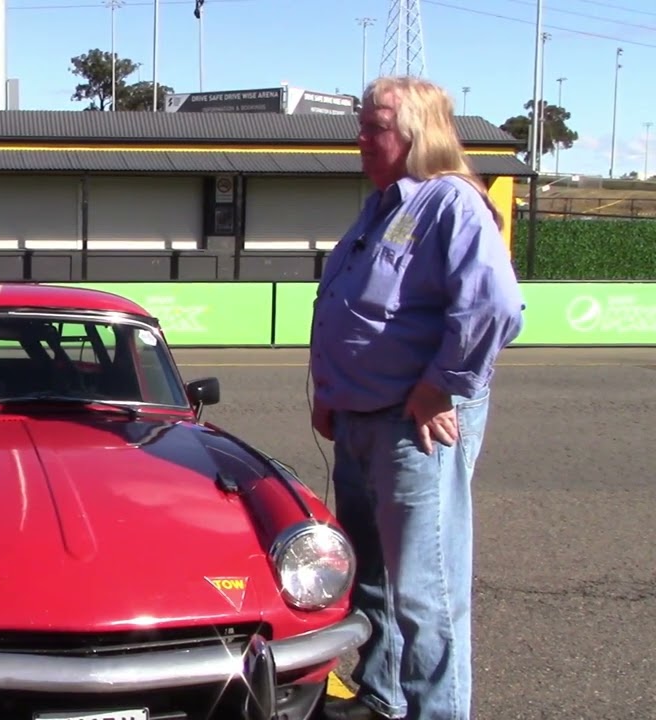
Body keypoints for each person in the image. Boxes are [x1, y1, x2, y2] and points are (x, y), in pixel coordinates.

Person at [310, 76, 525, 720]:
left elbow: (494, 307)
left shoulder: (452, 204)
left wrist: (441, 387)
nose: (362, 139)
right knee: (369, 580)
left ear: (415, 134)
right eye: (363, 125)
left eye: (374, 127)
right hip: (358, 421)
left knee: (425, 595)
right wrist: (331, 393)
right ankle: (384, 695)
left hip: (415, 428)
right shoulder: (380, 207)